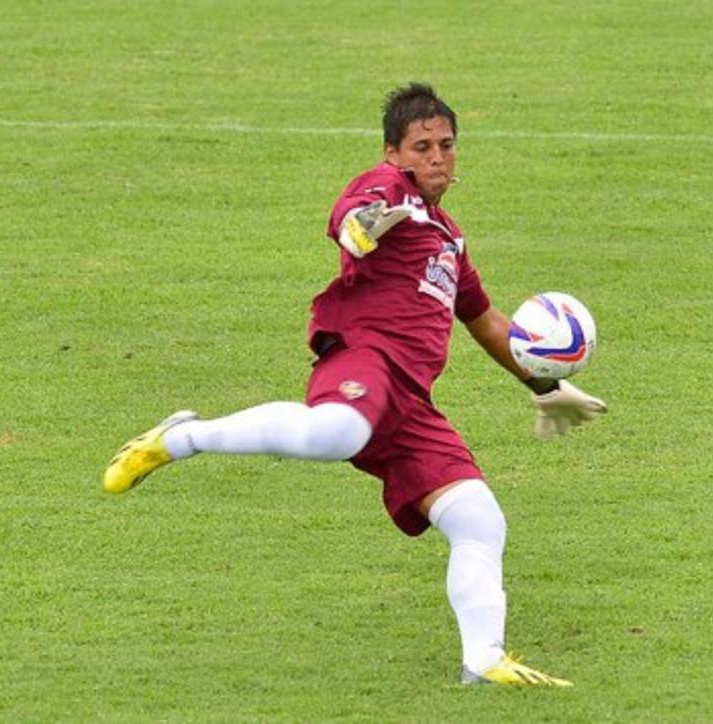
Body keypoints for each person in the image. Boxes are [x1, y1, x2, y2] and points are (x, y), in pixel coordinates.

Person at [102, 83, 607, 687]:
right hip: (364, 360)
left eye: (446, 145)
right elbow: (350, 218)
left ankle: (484, 660)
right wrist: (362, 226)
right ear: (394, 152)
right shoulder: (387, 190)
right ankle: (183, 437)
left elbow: (488, 322)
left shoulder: (449, 238)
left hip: (411, 403)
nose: (437, 157)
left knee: (478, 519)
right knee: (337, 431)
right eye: (422, 146)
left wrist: (545, 384)